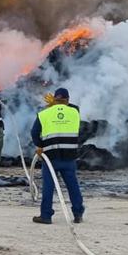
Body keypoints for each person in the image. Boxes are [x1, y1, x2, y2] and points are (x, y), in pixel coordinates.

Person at [30, 87, 85, 225]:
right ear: (67, 100)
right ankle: (78, 213)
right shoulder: (74, 112)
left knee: (48, 187)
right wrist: (61, 103)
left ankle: (46, 216)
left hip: (50, 157)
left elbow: (34, 133)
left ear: (54, 99)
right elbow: (73, 107)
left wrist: (40, 145)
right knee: (73, 186)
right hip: (69, 157)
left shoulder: (44, 113)